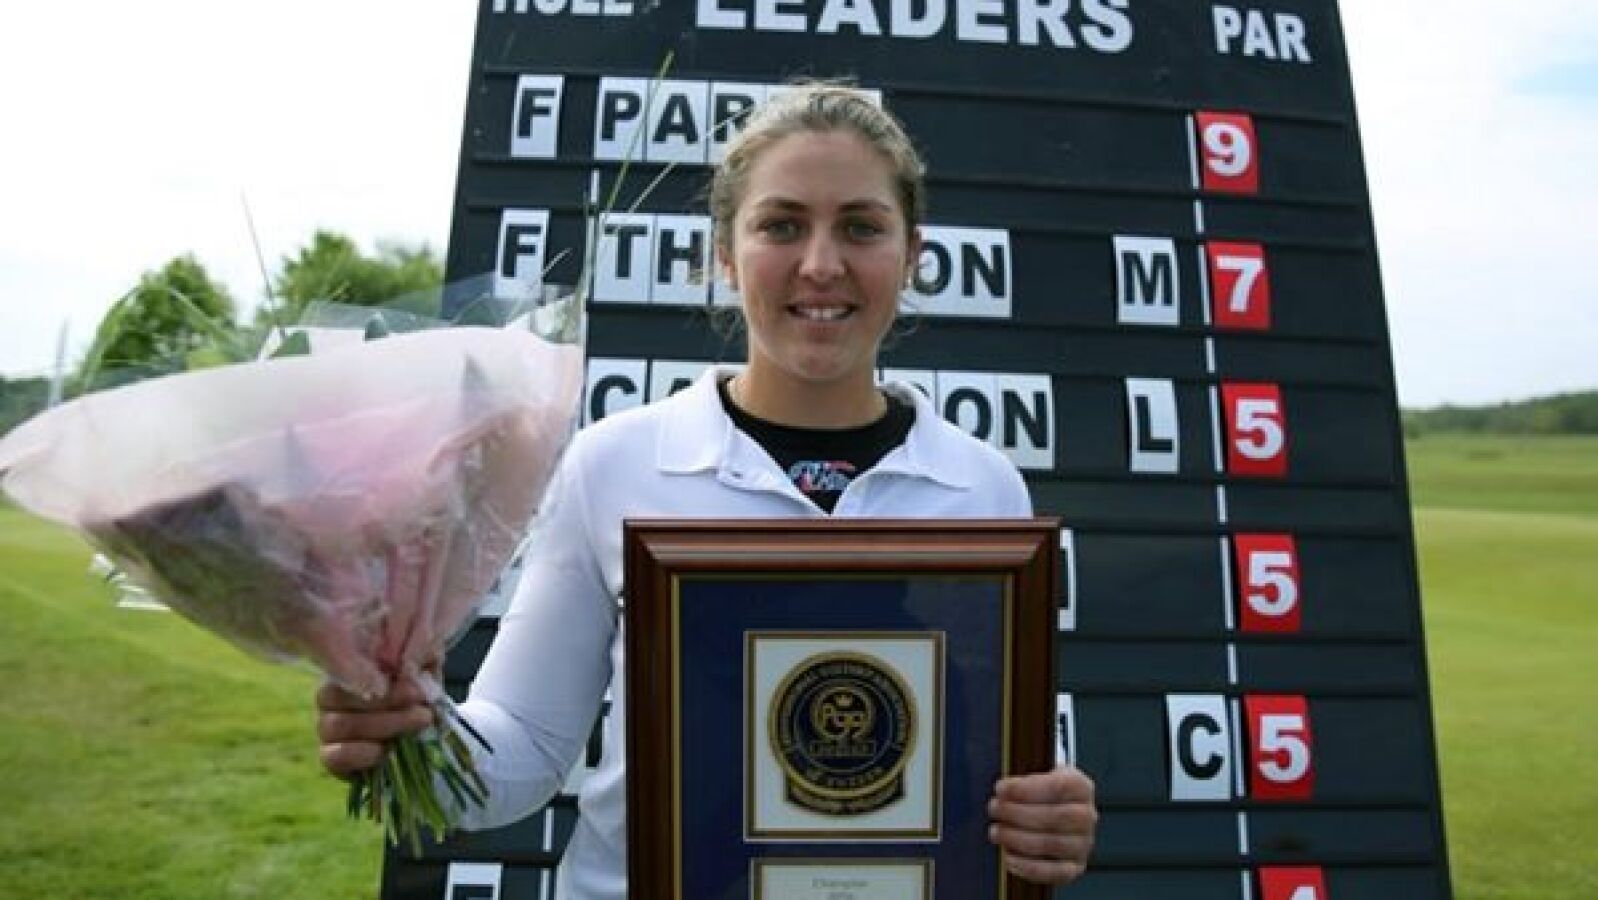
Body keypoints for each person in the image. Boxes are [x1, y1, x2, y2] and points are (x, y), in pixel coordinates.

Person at [317, 83, 1097, 898]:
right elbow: (524, 751)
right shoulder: (614, 464)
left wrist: (1049, 815)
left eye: (861, 227)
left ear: (911, 255)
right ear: (725, 251)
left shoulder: (980, 485)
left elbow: (1000, 763)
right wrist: (409, 734)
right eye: (781, 225)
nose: (821, 264)